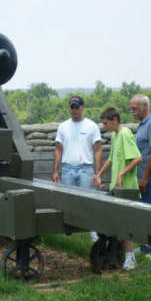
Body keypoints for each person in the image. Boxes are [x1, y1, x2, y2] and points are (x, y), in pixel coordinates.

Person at [92, 107, 142, 271]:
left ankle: (130, 258)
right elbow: (111, 160)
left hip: (127, 187)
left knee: (125, 226)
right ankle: (116, 254)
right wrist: (99, 173)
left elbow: (137, 158)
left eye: (106, 123)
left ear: (115, 120)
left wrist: (121, 174)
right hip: (117, 187)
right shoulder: (115, 136)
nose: (104, 126)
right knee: (116, 223)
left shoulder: (126, 134)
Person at [52, 96, 102, 241]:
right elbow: (58, 149)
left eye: (77, 107)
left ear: (82, 108)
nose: (74, 110)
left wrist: (97, 173)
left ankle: (93, 232)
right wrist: (55, 171)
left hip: (85, 169)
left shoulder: (91, 126)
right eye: (72, 107)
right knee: (68, 202)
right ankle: (68, 232)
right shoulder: (63, 126)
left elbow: (98, 150)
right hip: (67, 168)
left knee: (89, 202)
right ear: (69, 108)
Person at [129, 94, 151, 260]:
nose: (131, 111)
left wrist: (145, 178)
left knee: (150, 214)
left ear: (144, 107)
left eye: (134, 108)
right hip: (141, 176)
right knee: (142, 213)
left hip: (149, 178)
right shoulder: (142, 125)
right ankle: (145, 247)